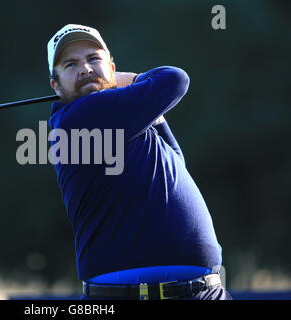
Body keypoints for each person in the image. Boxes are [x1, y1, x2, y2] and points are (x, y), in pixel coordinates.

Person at [47, 24, 232, 300]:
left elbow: (175, 160)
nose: (85, 68)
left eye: (93, 59)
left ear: (110, 66)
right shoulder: (76, 118)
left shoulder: (125, 119)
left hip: (201, 290)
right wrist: (131, 79)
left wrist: (138, 97)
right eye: (71, 64)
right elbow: (174, 79)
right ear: (56, 86)